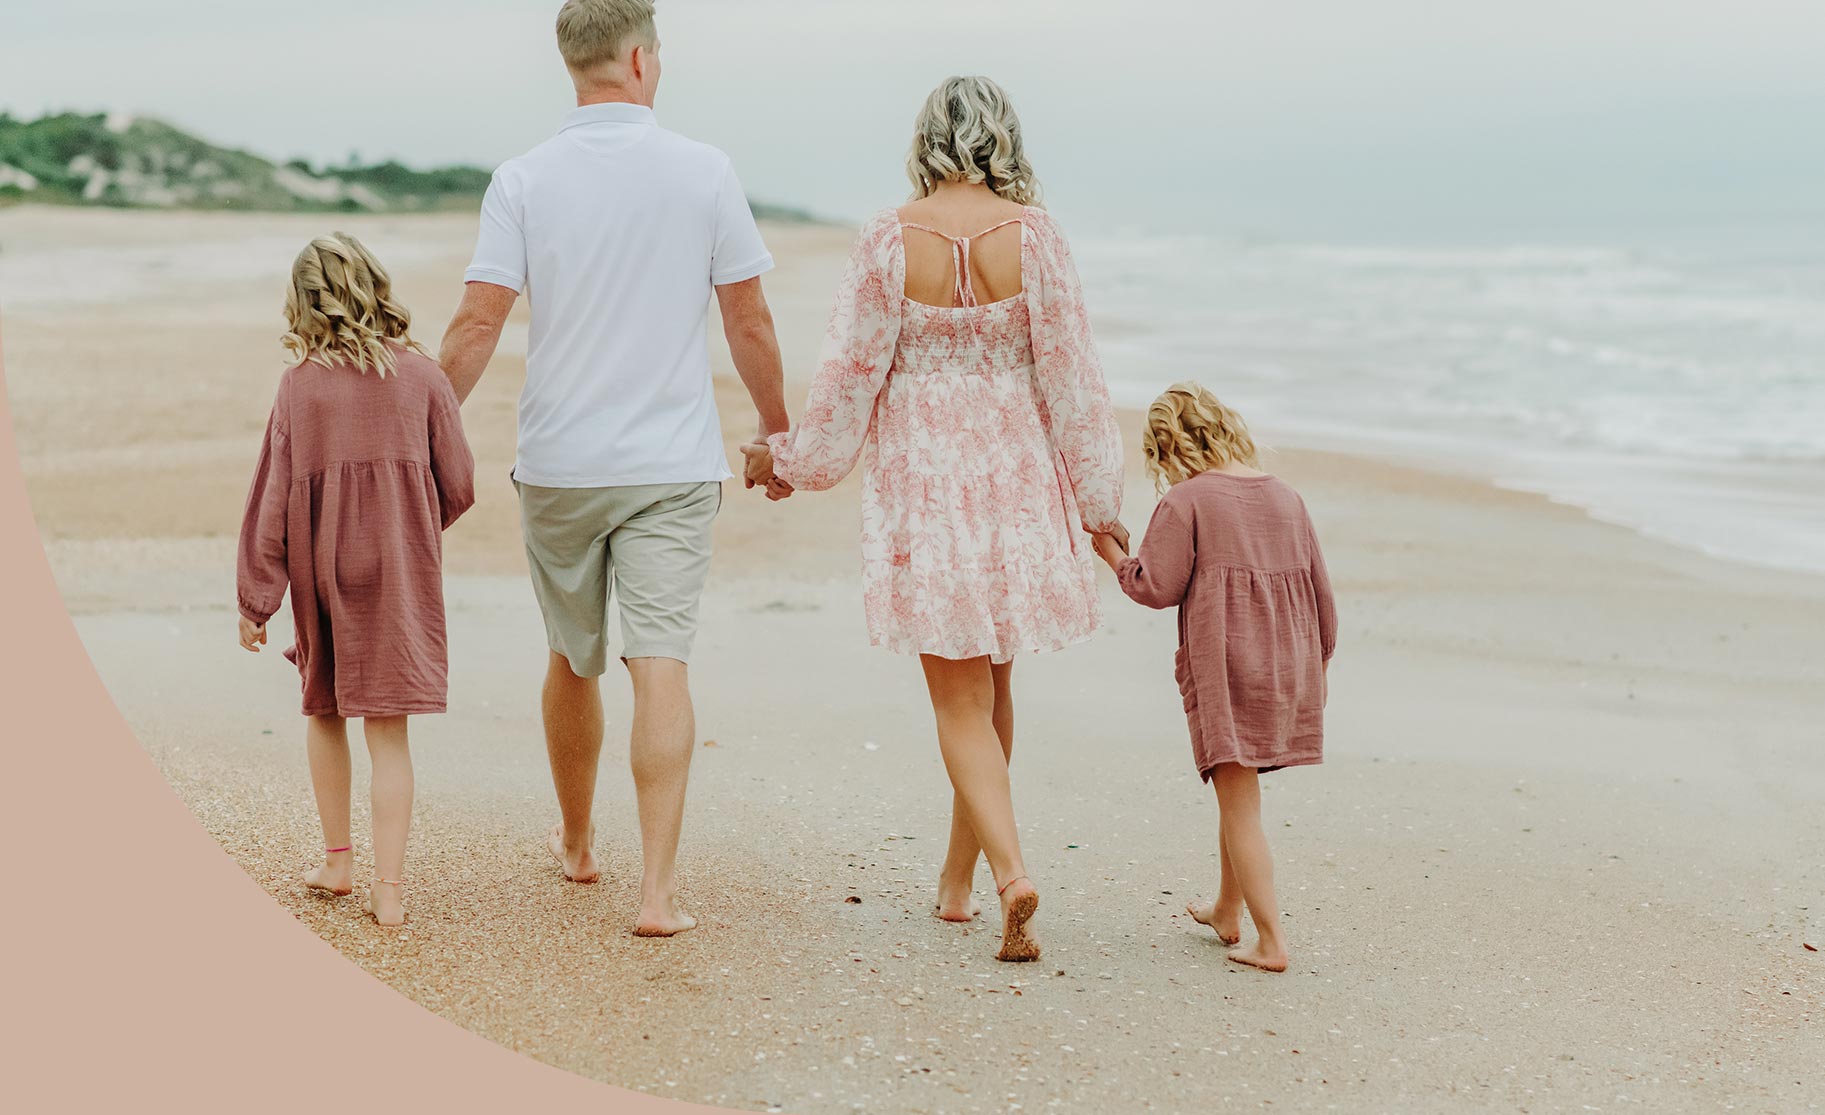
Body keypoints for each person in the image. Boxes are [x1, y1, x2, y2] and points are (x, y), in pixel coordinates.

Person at [741, 76, 1124, 963]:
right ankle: (957, 886)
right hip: (1018, 472)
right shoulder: (1038, 238)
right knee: (993, 685)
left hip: (928, 476)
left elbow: (847, 382)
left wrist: (788, 460)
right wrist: (1099, 508)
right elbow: (1074, 380)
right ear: (1003, 138)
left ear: (927, 139)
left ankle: (1008, 874)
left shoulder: (887, 238)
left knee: (957, 698)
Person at [437, 0, 790, 936]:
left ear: (573, 65)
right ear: (639, 59)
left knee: (571, 656)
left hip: (560, 463)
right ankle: (657, 895)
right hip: (671, 464)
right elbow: (747, 320)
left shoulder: (521, 179)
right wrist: (777, 430)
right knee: (660, 661)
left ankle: (579, 841)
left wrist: (419, 427)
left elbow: (479, 322)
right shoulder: (704, 171)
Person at [236, 233, 476, 928]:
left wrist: (257, 598)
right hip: (399, 570)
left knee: (326, 709)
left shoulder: (299, 386)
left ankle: (337, 860)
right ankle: (390, 889)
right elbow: (458, 485)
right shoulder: (425, 378)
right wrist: (409, 532)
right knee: (389, 731)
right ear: (376, 285)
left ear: (304, 302)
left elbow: (271, 500)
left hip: (323, 567)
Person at [1089, 383, 1336, 972]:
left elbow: (1155, 586)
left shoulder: (1187, 501)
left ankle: (1272, 941)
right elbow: (1322, 593)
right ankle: (1228, 909)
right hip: (1288, 661)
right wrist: (1315, 667)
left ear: (1168, 448)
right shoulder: (1286, 497)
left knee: (1238, 798)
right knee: (1239, 790)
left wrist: (1111, 553)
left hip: (1229, 666)